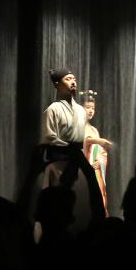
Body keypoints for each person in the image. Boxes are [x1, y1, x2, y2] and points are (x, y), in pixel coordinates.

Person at [40, 68, 106, 224]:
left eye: (74, 79)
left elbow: (81, 137)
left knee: (91, 185)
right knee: (57, 200)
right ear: (57, 84)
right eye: (68, 79)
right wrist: (69, 149)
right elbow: (49, 138)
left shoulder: (80, 111)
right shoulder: (52, 110)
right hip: (59, 160)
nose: (73, 82)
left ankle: (98, 221)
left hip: (77, 159)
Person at [80, 90, 113, 213]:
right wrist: (97, 141)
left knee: (99, 195)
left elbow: (99, 152)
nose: (91, 111)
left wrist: (99, 161)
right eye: (87, 107)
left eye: (93, 108)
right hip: (83, 168)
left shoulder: (94, 130)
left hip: (95, 169)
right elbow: (83, 142)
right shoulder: (77, 126)